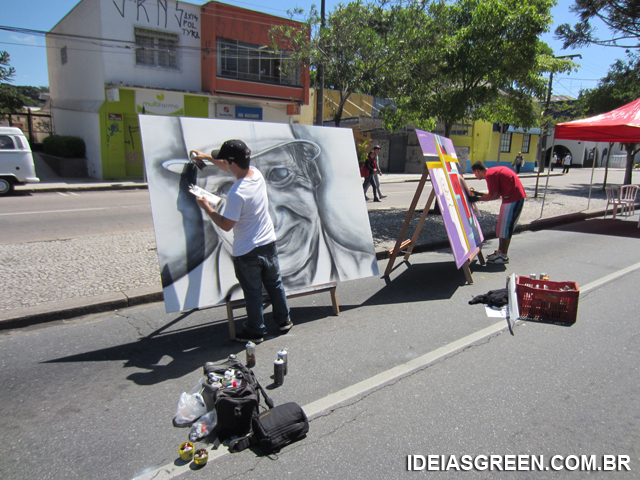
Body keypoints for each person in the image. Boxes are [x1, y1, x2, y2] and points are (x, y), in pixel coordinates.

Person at [191, 139, 293, 343]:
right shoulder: (256, 174)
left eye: (224, 162)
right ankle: (284, 321)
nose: (223, 164)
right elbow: (227, 164)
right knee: (275, 284)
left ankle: (256, 331)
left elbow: (226, 224)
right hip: (268, 244)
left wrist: (207, 207)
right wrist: (208, 158)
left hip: (247, 252)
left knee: (253, 292)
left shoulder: (236, 193)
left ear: (233, 164)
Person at [471, 161, 526, 264]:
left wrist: (476, 199)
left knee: (505, 227)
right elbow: (493, 193)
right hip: (511, 198)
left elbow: (494, 196)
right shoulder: (493, 171)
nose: (475, 176)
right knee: (502, 226)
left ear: (478, 171)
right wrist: (478, 194)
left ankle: (503, 255)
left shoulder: (490, 175)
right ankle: (500, 251)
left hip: (513, 199)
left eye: (475, 173)